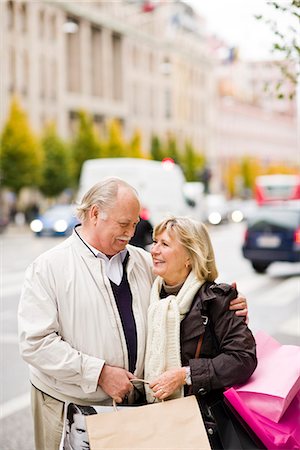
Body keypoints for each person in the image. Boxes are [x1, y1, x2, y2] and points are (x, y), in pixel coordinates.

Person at [18, 178, 248, 450]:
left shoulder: (142, 261)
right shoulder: (48, 268)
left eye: (135, 225)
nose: (130, 233)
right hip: (72, 409)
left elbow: (188, 290)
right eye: (123, 224)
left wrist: (229, 304)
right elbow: (36, 343)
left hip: (135, 408)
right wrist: (100, 373)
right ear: (94, 214)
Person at [144, 216, 257, 449]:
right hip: (155, 421)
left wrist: (185, 375)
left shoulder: (217, 299)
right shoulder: (149, 297)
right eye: (155, 242)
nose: (154, 250)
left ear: (189, 256)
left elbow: (243, 358)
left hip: (202, 426)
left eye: (164, 244)